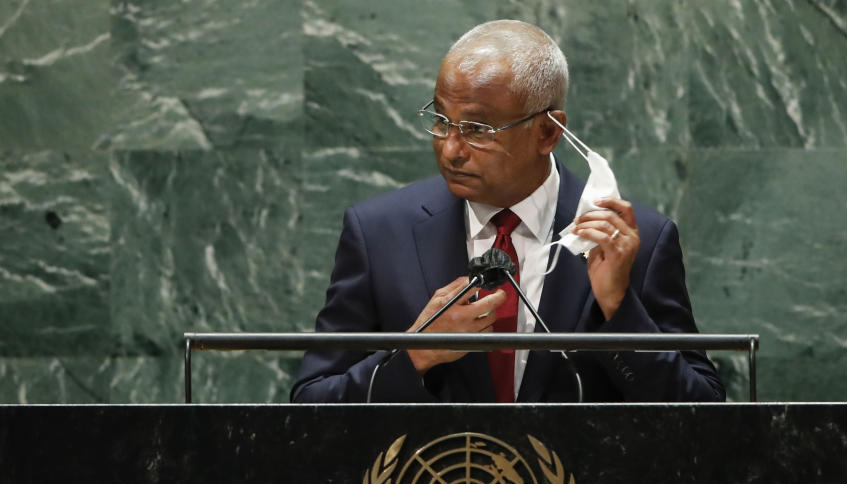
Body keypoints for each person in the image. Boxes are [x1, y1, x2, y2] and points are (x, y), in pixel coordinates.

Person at [291, 20, 724, 403]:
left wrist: (618, 308)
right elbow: (311, 403)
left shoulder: (634, 240)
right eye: (441, 121)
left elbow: (704, 412)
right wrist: (415, 355)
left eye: (477, 130)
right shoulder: (379, 234)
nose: (451, 150)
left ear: (548, 132)